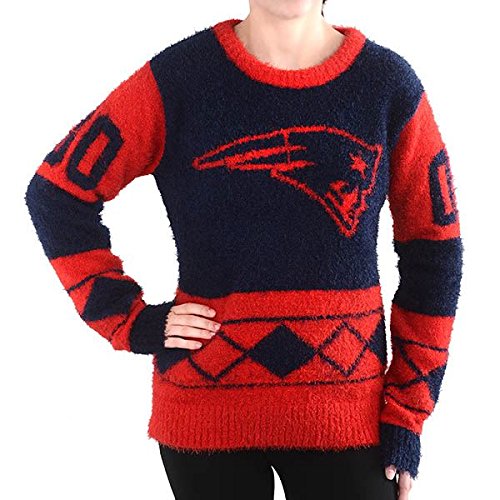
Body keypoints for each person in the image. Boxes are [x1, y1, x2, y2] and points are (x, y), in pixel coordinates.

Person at [24, 0, 463, 499]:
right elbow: (56, 194)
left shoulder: (387, 85)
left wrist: (408, 411)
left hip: (347, 417)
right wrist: (127, 318)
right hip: (205, 412)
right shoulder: (179, 79)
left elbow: (435, 251)